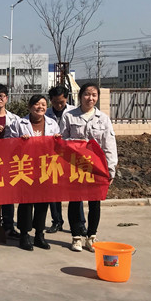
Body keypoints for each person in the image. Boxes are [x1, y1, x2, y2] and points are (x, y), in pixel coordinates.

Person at [59, 82, 118, 253]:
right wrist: (78, 144)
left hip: (97, 167)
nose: (90, 98)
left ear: (97, 97)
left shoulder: (103, 119)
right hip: (74, 166)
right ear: (80, 96)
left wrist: (111, 170)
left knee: (95, 202)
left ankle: (91, 237)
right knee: (74, 201)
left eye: (94, 95)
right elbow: (61, 141)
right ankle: (76, 237)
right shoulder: (69, 116)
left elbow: (109, 145)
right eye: (86, 94)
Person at [5, 94, 61, 251]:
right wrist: (19, 141)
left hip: (45, 167)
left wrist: (57, 139)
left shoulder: (52, 123)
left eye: (43, 104)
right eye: (36, 104)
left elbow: (58, 146)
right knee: (26, 202)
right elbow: (7, 142)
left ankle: (39, 235)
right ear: (30, 107)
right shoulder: (19, 123)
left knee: (43, 202)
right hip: (26, 167)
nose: (40, 107)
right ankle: (24, 235)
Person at [0, 82, 21, 240]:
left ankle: (8, 226)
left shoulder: (15, 119)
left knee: (8, 196)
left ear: (6, 98)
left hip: (9, 161)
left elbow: (19, 140)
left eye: (1, 96)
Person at [45, 85, 80, 234]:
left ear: (66, 98)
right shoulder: (45, 113)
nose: (58, 105)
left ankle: (79, 223)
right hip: (52, 156)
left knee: (76, 191)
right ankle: (57, 221)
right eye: (55, 102)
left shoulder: (74, 112)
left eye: (61, 102)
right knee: (54, 191)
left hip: (70, 156)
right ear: (51, 100)